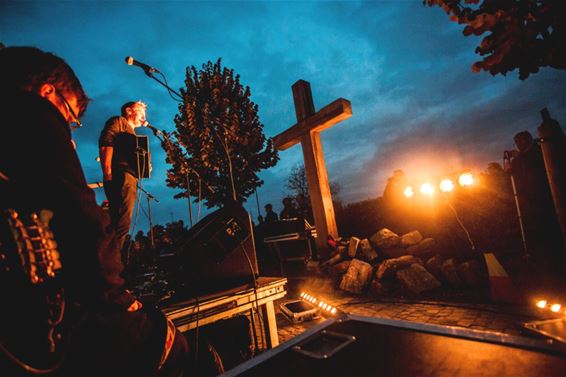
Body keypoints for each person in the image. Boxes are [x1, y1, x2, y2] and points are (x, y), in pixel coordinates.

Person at [0, 46, 187, 376]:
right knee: (174, 350)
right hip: (65, 313)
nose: (71, 127)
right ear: (48, 93)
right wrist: (113, 294)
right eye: (70, 117)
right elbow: (81, 218)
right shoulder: (38, 115)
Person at [99, 101, 148, 255]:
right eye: (140, 111)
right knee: (121, 222)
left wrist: (145, 166)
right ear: (128, 111)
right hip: (121, 175)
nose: (143, 116)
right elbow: (106, 143)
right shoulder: (118, 122)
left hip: (130, 177)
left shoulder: (133, 135)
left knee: (120, 221)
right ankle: (110, 261)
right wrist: (107, 173)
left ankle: (110, 259)